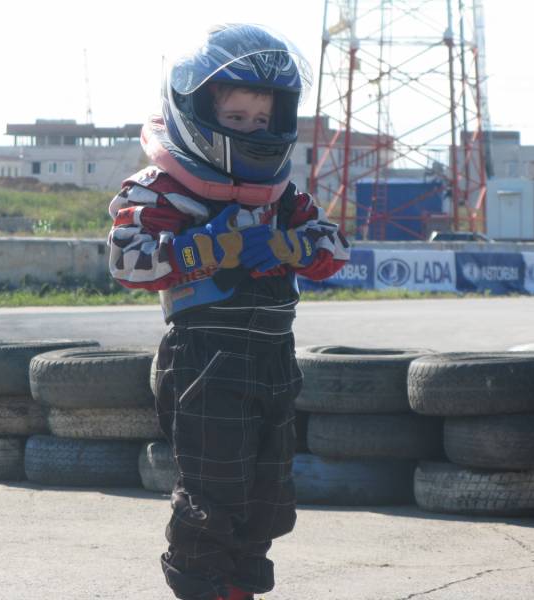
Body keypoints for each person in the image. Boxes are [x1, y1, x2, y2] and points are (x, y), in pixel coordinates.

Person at [107, 23, 350, 600]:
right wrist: (204, 249)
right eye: (237, 118)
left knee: (268, 495)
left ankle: (239, 588)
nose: (251, 130)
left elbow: (336, 249)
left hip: (273, 354)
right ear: (197, 112)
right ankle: (201, 587)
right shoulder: (162, 189)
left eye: (262, 120)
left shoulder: (281, 197)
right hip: (205, 357)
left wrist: (291, 246)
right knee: (214, 491)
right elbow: (126, 261)